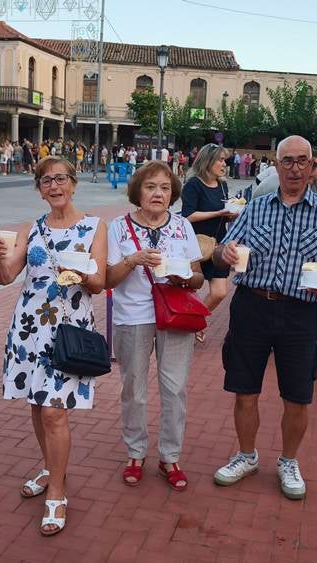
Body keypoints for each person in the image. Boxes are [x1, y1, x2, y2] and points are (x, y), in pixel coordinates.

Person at [211, 136, 317, 500]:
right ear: (276, 166)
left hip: (300, 313)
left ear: (313, 167)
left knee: (297, 395)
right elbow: (220, 253)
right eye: (287, 161)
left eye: (302, 161)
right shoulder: (256, 207)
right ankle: (246, 455)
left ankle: (289, 461)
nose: (295, 169)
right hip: (252, 307)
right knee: (244, 390)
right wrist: (224, 253)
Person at [0, 156, 108, 536]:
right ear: (39, 189)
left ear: (73, 183)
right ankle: (49, 467)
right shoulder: (33, 228)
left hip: (69, 330)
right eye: (46, 181)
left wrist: (79, 273)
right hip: (30, 329)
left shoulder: (95, 227)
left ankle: (57, 492)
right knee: (37, 406)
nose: (54, 186)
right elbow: (7, 276)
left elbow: (98, 284)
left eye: (61, 178)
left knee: (54, 413)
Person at [106, 161, 205, 493]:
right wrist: (132, 260)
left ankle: (170, 457)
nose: (158, 193)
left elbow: (198, 277)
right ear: (138, 191)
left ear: (172, 193)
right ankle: (135, 453)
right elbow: (108, 279)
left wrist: (183, 278)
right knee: (133, 389)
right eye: (150, 187)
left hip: (174, 314)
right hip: (132, 316)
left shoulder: (182, 226)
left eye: (165, 187)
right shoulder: (118, 227)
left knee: (174, 389)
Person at [181, 143, 237, 343]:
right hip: (195, 244)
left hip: (218, 245)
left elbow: (223, 213)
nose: (224, 164)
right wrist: (219, 213)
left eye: (225, 160)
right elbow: (188, 216)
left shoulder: (222, 185)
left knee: (219, 292)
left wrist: (230, 215)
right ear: (208, 161)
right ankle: (185, 327)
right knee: (190, 290)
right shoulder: (194, 184)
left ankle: (197, 321)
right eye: (220, 160)